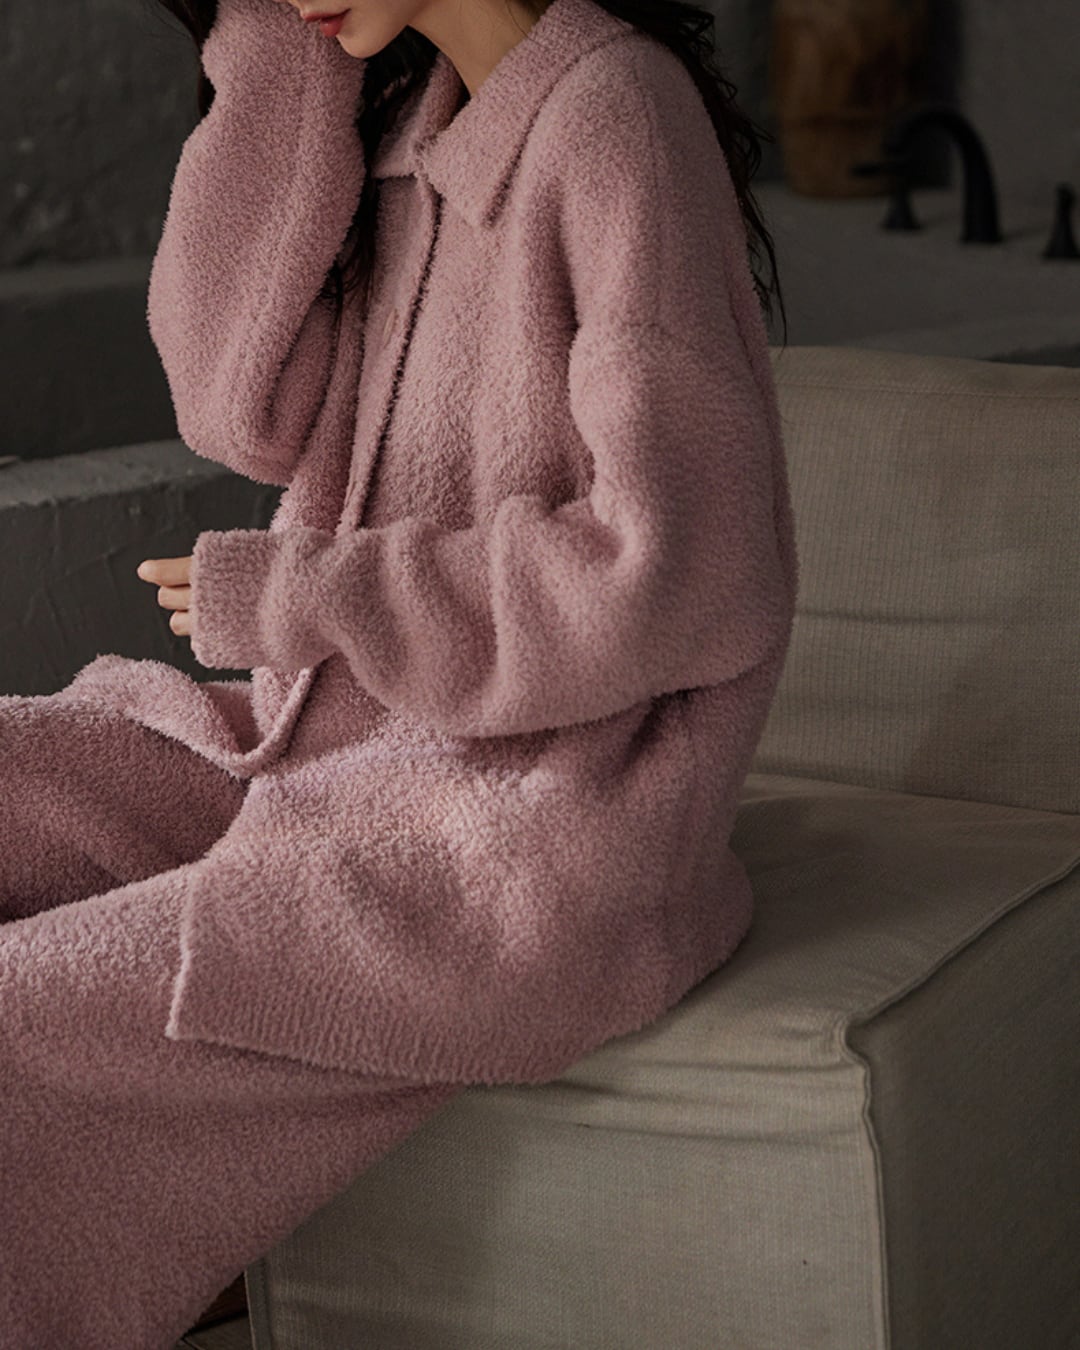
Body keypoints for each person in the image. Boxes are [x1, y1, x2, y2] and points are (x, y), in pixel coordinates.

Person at [0, 0, 798, 1343]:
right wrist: (280, 64)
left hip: (528, 826)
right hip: (317, 744)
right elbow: (236, 404)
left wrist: (319, 594)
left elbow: (690, 569)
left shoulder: (616, 119)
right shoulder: (404, 128)